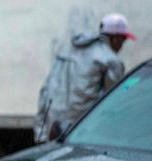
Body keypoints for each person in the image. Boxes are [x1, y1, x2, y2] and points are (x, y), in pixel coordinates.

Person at [34, 13, 134, 143]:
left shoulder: (66, 52)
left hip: (52, 128)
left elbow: (46, 91)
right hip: (80, 132)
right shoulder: (110, 60)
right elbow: (115, 98)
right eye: (123, 40)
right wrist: (130, 83)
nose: (122, 46)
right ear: (115, 39)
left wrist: (40, 132)